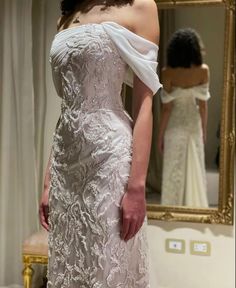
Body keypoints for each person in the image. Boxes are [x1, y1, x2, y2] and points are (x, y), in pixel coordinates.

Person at [39, 0, 161, 287]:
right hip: (66, 162)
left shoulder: (141, 7)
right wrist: (48, 181)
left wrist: (137, 186)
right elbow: (66, 107)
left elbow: (144, 103)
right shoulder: (69, 15)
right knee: (70, 261)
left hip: (109, 157)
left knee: (107, 264)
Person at [158, 28, 210, 207]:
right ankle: (195, 209)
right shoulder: (203, 71)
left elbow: (166, 110)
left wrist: (160, 136)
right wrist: (204, 130)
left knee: (173, 166)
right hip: (193, 123)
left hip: (174, 125)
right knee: (195, 164)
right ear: (195, 49)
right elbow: (203, 106)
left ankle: (171, 207)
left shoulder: (167, 72)